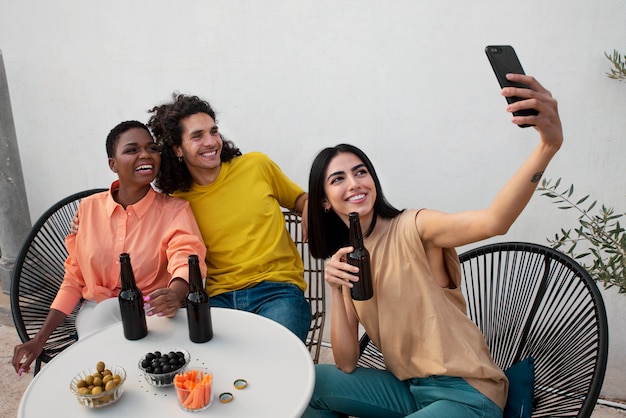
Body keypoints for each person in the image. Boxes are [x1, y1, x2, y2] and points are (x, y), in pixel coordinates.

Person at [303, 74, 563, 417]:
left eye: (361, 172)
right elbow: (347, 363)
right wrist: (336, 290)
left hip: (467, 394)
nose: (354, 183)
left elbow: (493, 221)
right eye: (338, 179)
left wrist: (547, 146)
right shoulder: (350, 261)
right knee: (310, 384)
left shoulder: (415, 226)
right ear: (324, 201)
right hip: (411, 389)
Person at [12, 120, 207, 375]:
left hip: (153, 312)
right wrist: (40, 339)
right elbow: (74, 278)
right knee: (103, 317)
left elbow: (186, 257)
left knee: (110, 352)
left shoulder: (174, 211)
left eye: (151, 148)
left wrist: (175, 293)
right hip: (97, 314)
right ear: (112, 164)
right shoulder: (89, 209)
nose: (145, 155)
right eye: (132, 150)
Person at [146, 94, 311, 342]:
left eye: (214, 131)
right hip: (219, 300)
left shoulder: (256, 166)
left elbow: (301, 200)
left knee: (274, 358)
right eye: (197, 135)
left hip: (278, 291)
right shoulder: (179, 202)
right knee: (208, 364)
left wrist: (311, 207)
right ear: (178, 149)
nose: (211, 142)